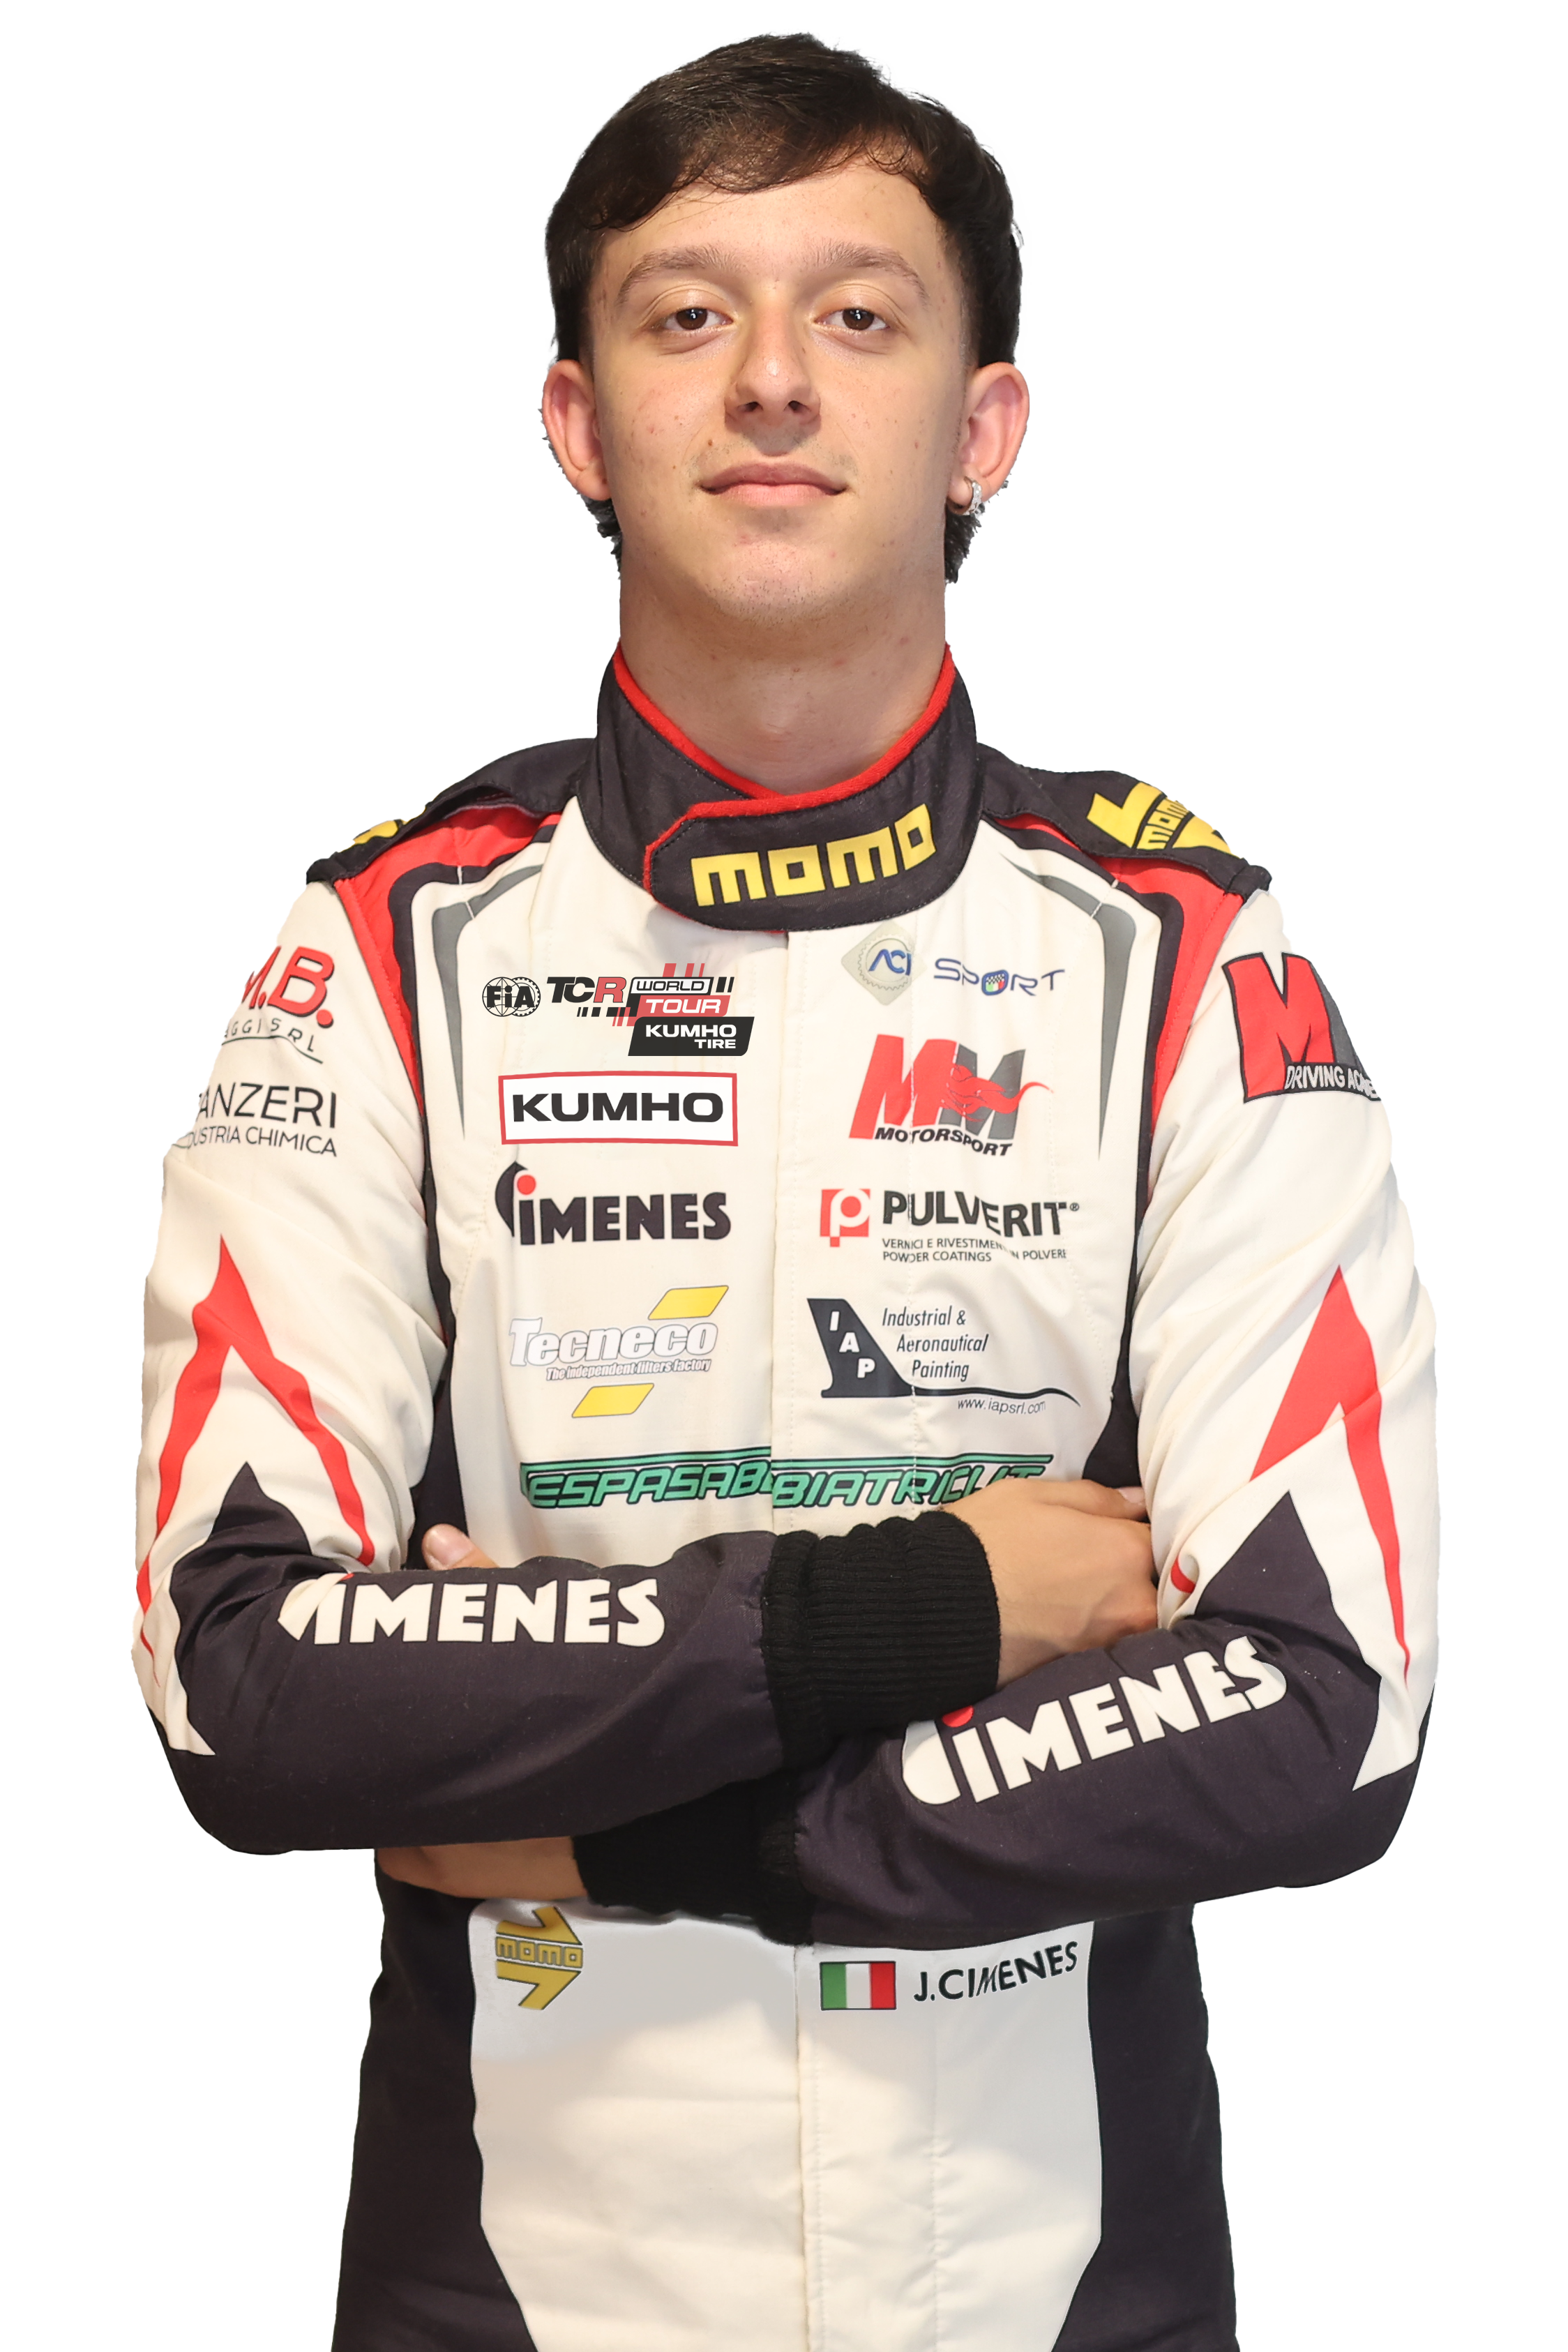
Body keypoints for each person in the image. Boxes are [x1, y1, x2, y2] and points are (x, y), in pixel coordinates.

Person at [134, 33, 1435, 2352]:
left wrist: (645, 1829)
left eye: (858, 313)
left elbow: (1325, 1706)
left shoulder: (1197, 963)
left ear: (984, 426)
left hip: (1064, 2276)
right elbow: (245, 1682)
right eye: (684, 312)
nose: (769, 380)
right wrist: (931, 1611)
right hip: (509, 2280)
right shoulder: (378, 961)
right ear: (577, 422)